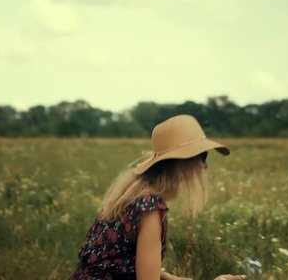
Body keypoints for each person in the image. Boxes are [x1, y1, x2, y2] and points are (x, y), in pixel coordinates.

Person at [70, 114, 245, 280]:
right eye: (202, 156)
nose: (205, 166)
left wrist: (166, 277)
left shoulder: (129, 195)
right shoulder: (150, 206)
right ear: (182, 161)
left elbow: (113, 262)